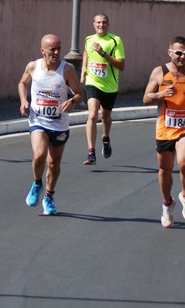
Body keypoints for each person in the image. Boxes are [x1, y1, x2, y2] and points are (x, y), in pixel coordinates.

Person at [18, 33, 83, 215]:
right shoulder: (33, 67)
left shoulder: (67, 69)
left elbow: (79, 93)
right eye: (52, 49)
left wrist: (72, 101)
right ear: (42, 50)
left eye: (59, 48)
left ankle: (49, 196)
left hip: (59, 124)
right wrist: (24, 100)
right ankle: (37, 183)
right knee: (39, 156)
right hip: (38, 120)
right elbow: (22, 83)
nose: (56, 52)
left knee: (54, 163)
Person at [143, 35, 185, 228]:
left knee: (184, 162)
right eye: (179, 53)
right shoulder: (160, 72)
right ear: (170, 53)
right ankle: (167, 203)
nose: (183, 57)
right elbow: (145, 97)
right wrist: (160, 94)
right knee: (164, 170)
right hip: (165, 128)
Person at [80, 13, 126, 165]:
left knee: (105, 117)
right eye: (98, 22)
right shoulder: (88, 39)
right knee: (92, 115)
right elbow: (86, 52)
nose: (101, 25)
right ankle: (91, 152)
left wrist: (103, 54)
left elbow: (121, 65)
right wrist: (83, 70)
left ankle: (106, 138)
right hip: (93, 82)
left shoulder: (115, 40)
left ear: (108, 24)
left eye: (104, 22)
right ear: (93, 24)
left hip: (110, 86)